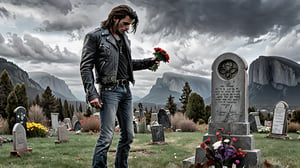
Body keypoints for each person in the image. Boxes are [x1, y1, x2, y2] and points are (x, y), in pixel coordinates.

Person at [80, 5, 158, 168]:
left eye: (129, 25)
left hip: (126, 90)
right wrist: (92, 94)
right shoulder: (95, 36)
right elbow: (86, 66)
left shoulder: (124, 39)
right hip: (108, 91)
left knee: (128, 135)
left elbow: (128, 65)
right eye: (125, 24)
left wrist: (148, 62)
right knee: (107, 136)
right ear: (115, 18)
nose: (127, 28)